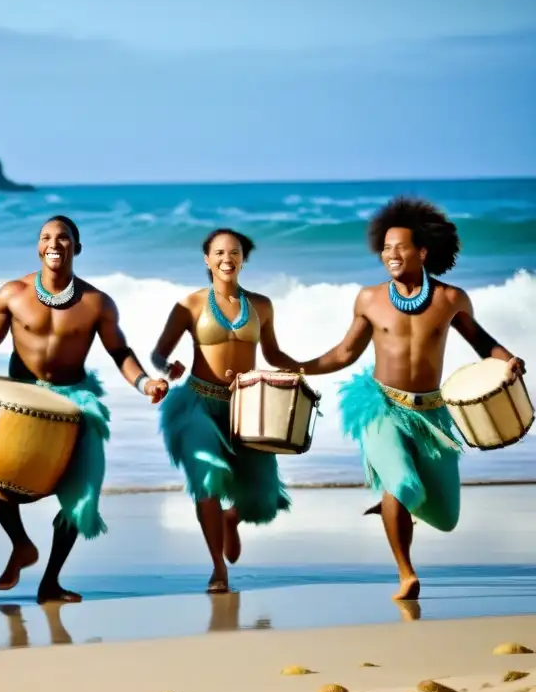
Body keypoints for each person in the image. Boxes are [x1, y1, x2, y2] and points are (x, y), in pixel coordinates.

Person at [293, 197, 524, 601]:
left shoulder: (451, 300)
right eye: (385, 247)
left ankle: (393, 507)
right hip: (380, 405)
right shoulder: (369, 299)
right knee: (403, 483)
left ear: (422, 251)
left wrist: (509, 360)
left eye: (400, 246)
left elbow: (483, 343)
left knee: (446, 517)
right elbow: (344, 353)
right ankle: (406, 573)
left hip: (433, 414)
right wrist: (297, 366)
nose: (391, 254)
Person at [0, 216, 169, 604]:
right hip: (19, 399)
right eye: (46, 238)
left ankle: (50, 582)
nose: (54, 244)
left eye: (63, 238)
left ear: (78, 246)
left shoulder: (97, 303)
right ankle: (21, 544)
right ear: (38, 246)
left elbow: (119, 352)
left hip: (74, 402)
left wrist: (145, 383)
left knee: (80, 500)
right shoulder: (13, 294)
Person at [150, 228, 298, 594]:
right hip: (197, 403)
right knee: (207, 477)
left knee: (264, 501)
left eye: (234, 252)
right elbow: (158, 353)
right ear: (207, 259)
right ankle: (218, 568)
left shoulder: (261, 305)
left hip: (245, 405)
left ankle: (230, 520)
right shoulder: (191, 305)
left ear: (243, 259)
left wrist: (302, 368)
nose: (226, 258)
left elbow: (273, 354)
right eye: (218, 252)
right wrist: (169, 369)